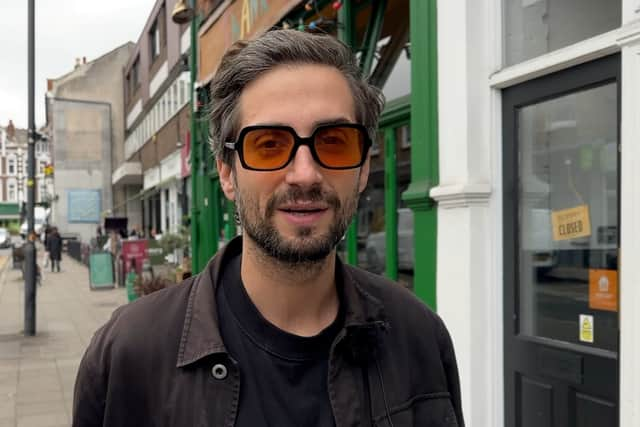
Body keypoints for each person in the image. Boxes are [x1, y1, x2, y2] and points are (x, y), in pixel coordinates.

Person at [73, 30, 464, 427]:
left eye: (334, 142)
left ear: (363, 167)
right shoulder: (129, 355)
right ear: (227, 172)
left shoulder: (417, 337)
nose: (305, 174)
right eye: (269, 145)